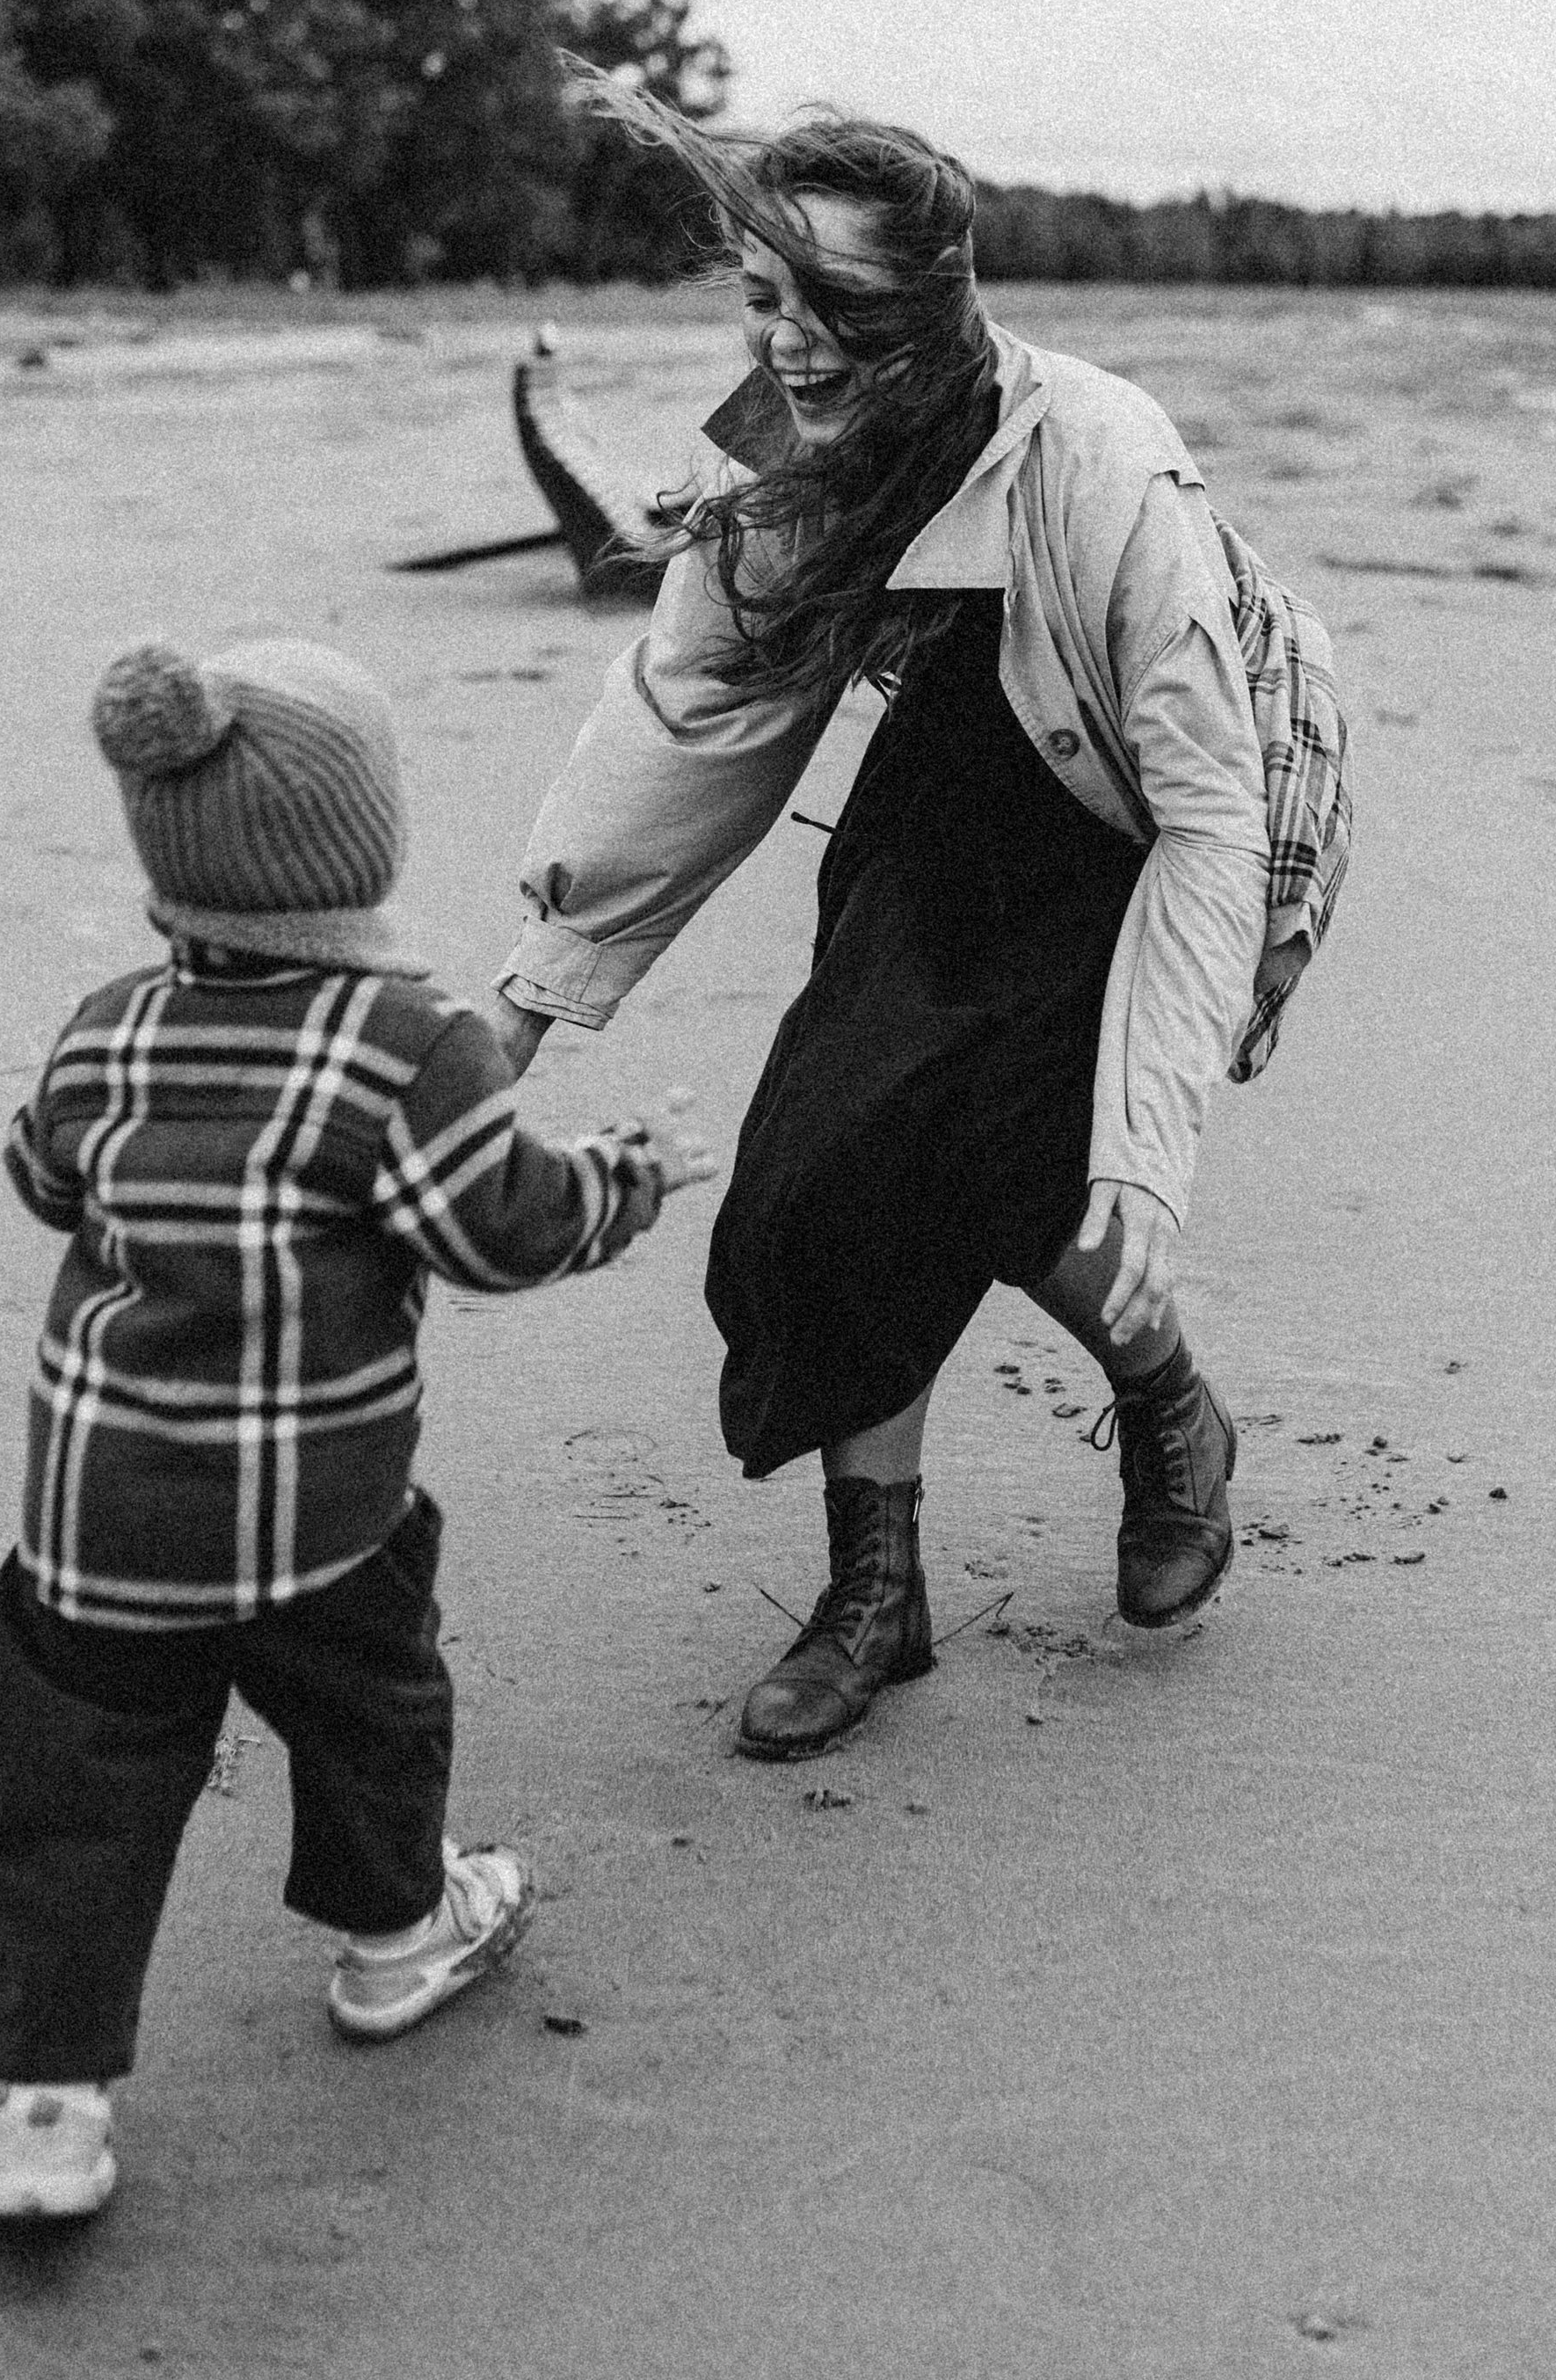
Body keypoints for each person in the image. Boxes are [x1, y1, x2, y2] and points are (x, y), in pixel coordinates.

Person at [491, 98, 1346, 1764]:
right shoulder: (783, 447)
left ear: (940, 301)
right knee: (823, 1175)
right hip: (960, 765)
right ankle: (874, 1593)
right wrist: (536, 991)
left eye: (839, 306)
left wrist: (1149, 1147)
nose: (791, 344)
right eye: (763, 299)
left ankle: (1170, 1409)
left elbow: (1208, 816)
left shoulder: (1101, 461)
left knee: (1035, 1173)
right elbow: (693, 709)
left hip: (1179, 794)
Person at [0, 633, 712, 2226]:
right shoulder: (410, 1045)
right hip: (321, 1520)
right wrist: (625, 1181)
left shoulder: (105, 1026)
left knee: (77, 1802)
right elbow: (502, 1229)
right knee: (375, 1714)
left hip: (101, 1524)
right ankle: (395, 1941)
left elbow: (40, 1176)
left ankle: (47, 2108)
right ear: (358, 847)